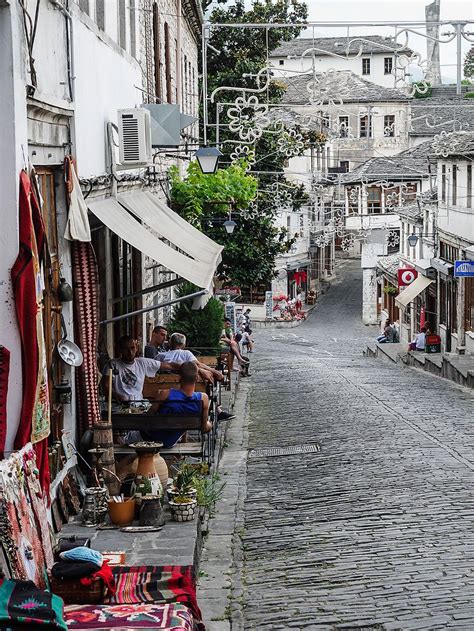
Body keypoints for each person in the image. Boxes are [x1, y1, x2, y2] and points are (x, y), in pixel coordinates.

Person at [139, 362, 211, 448]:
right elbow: (204, 428)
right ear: (196, 378)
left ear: (179, 378)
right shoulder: (203, 399)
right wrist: (209, 425)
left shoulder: (165, 394)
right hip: (170, 442)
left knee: (125, 439)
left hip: (149, 438)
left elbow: (147, 418)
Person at [104, 335, 182, 402]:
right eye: (126, 349)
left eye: (132, 348)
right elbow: (106, 385)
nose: (130, 352)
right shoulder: (112, 364)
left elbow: (170, 366)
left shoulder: (142, 363)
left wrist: (188, 368)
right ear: (120, 350)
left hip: (138, 405)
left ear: (136, 348)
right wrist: (116, 396)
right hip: (118, 406)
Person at [157, 332, 223, 385]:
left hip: (161, 384)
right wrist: (215, 372)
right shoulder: (186, 353)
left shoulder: (160, 356)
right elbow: (197, 364)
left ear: (170, 343)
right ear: (183, 345)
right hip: (185, 385)